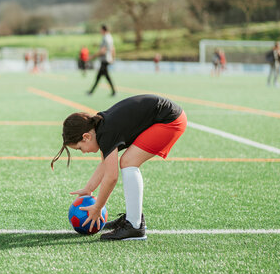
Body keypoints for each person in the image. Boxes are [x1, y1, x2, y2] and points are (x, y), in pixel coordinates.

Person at [51, 94, 187, 241]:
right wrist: (89, 189)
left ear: (86, 137)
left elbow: (111, 177)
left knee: (128, 162)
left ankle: (134, 226)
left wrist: (97, 208)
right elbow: (105, 165)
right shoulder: (100, 129)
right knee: (127, 161)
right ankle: (133, 219)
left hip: (170, 120)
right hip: (164, 116)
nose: (83, 152)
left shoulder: (106, 133)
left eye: (79, 148)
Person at [87, 24, 116, 96]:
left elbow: (103, 50)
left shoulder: (105, 38)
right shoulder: (110, 37)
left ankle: (91, 91)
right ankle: (91, 91)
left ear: (103, 30)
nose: (100, 31)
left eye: (100, 29)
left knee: (101, 76)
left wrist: (92, 56)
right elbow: (113, 48)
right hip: (107, 59)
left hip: (105, 60)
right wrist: (113, 58)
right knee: (103, 76)